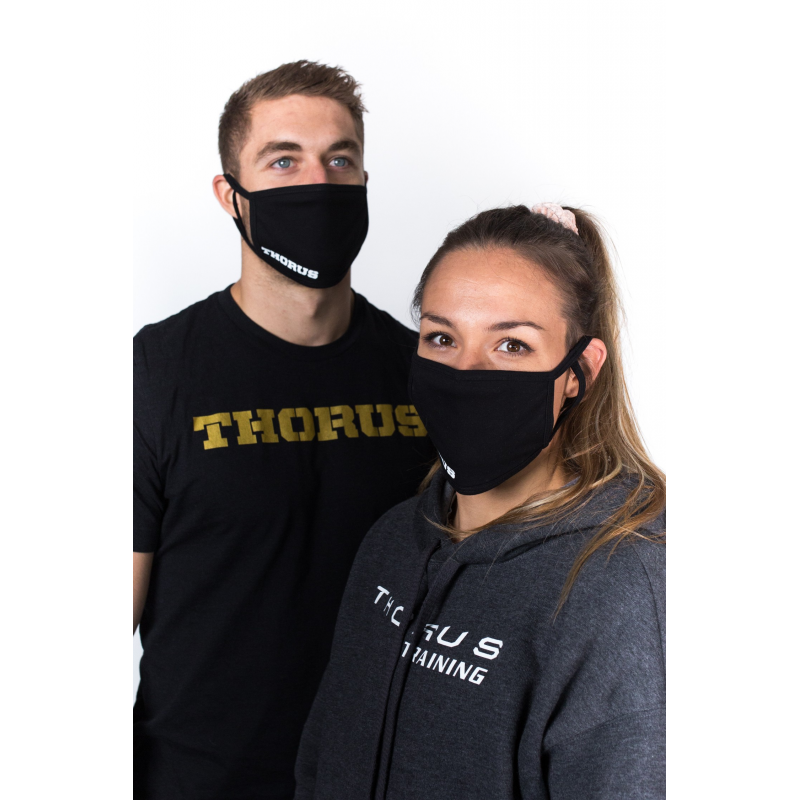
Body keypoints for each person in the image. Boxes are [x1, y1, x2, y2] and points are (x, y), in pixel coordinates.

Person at [133, 61, 433, 800]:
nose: (318, 184)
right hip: (200, 782)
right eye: (283, 160)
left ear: (365, 180)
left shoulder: (424, 374)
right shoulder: (153, 371)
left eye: (340, 160)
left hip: (379, 778)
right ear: (229, 195)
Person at [295, 202, 666, 799]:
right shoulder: (391, 541)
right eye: (442, 337)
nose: (465, 372)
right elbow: (320, 761)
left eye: (511, 345)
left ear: (579, 372)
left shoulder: (618, 590)